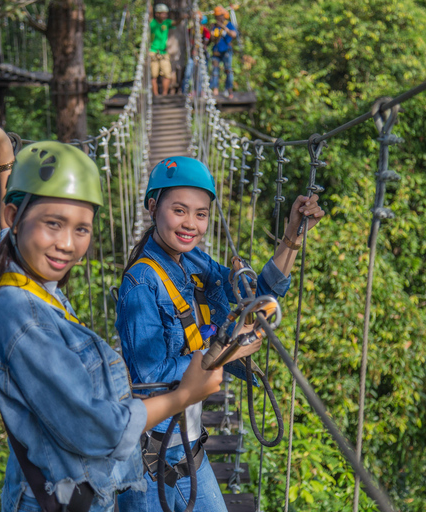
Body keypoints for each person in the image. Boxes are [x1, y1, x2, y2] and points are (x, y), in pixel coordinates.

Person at [0, 109, 224, 512]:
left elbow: (10, 235)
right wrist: (186, 394)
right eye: (54, 224)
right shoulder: (18, 311)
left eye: (81, 229)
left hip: (82, 494)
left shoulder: (34, 288)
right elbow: (102, 429)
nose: (67, 244)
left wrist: (4, 155)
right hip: (58, 498)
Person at [115, 157, 325, 511]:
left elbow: (256, 296)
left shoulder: (196, 261)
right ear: (152, 207)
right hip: (158, 453)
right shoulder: (140, 283)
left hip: (182, 442)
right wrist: (227, 349)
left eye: (201, 214)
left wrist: (292, 235)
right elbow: (151, 377)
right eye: (179, 211)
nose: (191, 224)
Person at [209, 6, 237, 98]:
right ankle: (215, 89)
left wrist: (224, 28)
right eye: (216, 17)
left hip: (226, 51)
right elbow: (212, 39)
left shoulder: (228, 24)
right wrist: (213, 32)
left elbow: (234, 35)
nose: (218, 18)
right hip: (216, 51)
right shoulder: (214, 26)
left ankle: (229, 90)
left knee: (228, 70)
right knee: (215, 71)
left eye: (219, 16)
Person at [150, 3, 175, 96]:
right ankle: (156, 94)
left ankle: (164, 94)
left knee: (167, 74)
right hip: (153, 52)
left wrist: (183, 17)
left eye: (166, 14)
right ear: (157, 14)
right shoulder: (152, 23)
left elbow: (176, 23)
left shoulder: (167, 22)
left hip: (164, 52)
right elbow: (149, 14)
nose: (165, 16)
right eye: (163, 14)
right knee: (153, 75)